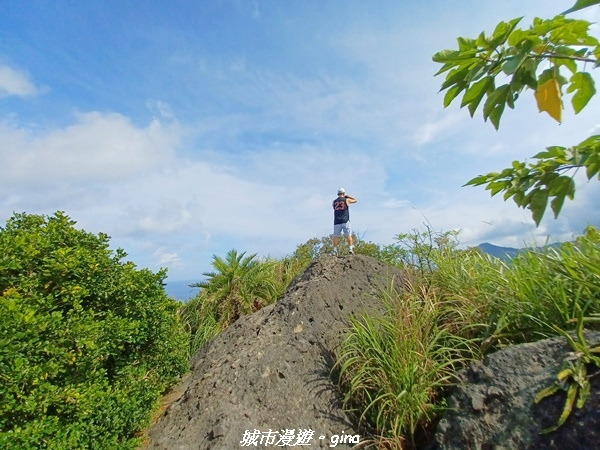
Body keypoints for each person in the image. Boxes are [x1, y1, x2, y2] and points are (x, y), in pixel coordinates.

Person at [332, 188, 357, 255]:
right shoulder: (346, 200)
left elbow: (334, 207)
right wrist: (349, 196)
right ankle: (350, 249)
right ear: (344, 193)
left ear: (338, 194)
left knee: (336, 236)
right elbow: (355, 200)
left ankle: (335, 250)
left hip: (337, 221)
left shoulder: (334, 202)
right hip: (345, 220)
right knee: (348, 235)